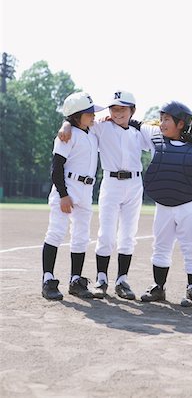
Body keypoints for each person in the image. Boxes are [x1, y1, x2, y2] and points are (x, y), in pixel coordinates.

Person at [58, 91, 149, 301]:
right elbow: (77, 120)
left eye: (123, 109)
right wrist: (64, 125)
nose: (117, 113)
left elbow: (155, 135)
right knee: (106, 234)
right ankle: (101, 279)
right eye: (114, 108)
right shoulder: (101, 126)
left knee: (128, 234)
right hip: (111, 183)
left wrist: (137, 123)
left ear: (131, 110)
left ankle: (122, 280)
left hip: (135, 184)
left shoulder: (139, 132)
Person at [137, 101, 192, 307]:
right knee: (161, 246)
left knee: (191, 247)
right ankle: (158, 287)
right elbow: (135, 124)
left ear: (180, 124)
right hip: (163, 205)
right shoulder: (156, 140)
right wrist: (113, 116)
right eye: (161, 119)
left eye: (167, 119)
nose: (162, 123)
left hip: (189, 206)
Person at [42, 91, 104, 300]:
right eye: (89, 113)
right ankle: (48, 279)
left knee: (81, 236)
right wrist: (63, 194)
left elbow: (108, 119)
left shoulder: (91, 132)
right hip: (66, 187)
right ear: (77, 115)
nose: (93, 116)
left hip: (86, 191)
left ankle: (75, 280)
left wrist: (66, 122)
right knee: (56, 232)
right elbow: (56, 168)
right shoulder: (66, 136)